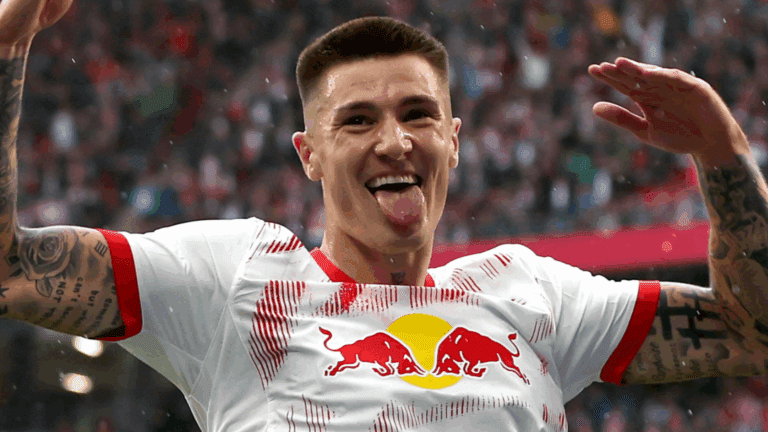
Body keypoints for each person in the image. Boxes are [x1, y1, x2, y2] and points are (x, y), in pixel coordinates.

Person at [0, 2, 767, 431]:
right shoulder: (234, 279)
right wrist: (4, 54)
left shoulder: (531, 293)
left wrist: (723, 156)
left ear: (454, 140)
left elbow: (751, 332)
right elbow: (13, 272)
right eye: (358, 120)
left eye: (417, 114)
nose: (395, 141)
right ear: (309, 154)